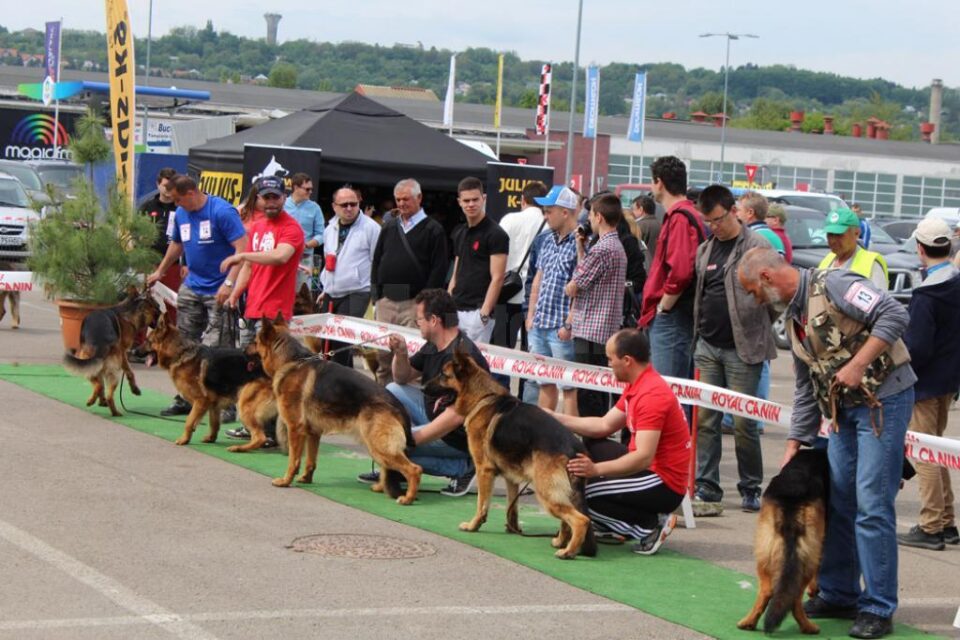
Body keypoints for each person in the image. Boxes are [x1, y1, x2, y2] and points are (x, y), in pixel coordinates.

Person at [738, 247, 916, 640]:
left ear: (767, 278)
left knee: (871, 505)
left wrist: (857, 364)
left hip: (882, 402)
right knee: (839, 500)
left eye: (752, 291)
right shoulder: (794, 318)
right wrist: (796, 440)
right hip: (841, 413)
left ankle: (878, 608)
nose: (754, 301)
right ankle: (838, 593)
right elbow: (805, 387)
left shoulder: (835, 283)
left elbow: (895, 314)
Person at [554, 329, 690, 555]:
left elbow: (643, 457)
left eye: (610, 359)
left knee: (583, 496)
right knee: (590, 446)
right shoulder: (638, 383)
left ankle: (649, 527)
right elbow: (603, 426)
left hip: (664, 482)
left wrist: (596, 470)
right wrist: (555, 418)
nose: (608, 365)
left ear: (627, 360)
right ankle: (619, 521)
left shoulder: (652, 395)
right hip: (650, 469)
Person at [690, 186, 776, 516]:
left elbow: (777, 294)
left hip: (744, 349)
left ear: (735, 211)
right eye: (708, 221)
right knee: (707, 421)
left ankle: (750, 486)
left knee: (744, 423)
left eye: (718, 219)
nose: (714, 226)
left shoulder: (758, 246)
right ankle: (707, 485)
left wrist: (759, 326)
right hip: (708, 346)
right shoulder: (706, 249)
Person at [357, 289, 488, 496]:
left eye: (419, 319)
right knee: (392, 390)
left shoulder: (464, 357)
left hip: (461, 437)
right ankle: (394, 466)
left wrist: (410, 438)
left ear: (434, 320)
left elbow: (456, 415)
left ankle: (464, 467)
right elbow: (402, 377)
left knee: (395, 447)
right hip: (433, 413)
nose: (417, 323)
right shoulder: (433, 344)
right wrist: (401, 353)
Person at [147, 174, 247, 417]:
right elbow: (177, 244)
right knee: (182, 345)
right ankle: (185, 396)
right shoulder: (181, 213)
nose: (176, 205)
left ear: (191, 193)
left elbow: (242, 249)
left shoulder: (222, 211)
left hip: (219, 289)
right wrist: (160, 270)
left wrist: (230, 283)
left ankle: (225, 401)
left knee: (216, 349)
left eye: (178, 200)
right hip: (192, 286)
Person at [220, 176, 305, 446]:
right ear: (258, 199)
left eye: (275, 197)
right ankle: (253, 425)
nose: (270, 202)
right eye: (265, 197)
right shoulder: (256, 227)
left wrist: (243, 256)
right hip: (253, 307)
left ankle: (270, 432)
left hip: (276, 315)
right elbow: (249, 268)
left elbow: (280, 256)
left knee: (272, 374)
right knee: (249, 369)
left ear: (284, 197)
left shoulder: (292, 228)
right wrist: (235, 293)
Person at [897, 218, 960, 551]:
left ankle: (932, 524)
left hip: (924, 382)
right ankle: (947, 523)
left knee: (924, 454)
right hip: (948, 380)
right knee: (937, 450)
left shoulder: (927, 292)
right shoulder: (955, 282)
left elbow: (917, 346)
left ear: (920, 248)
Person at [370, 179, 449, 385]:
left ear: (419, 198)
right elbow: (377, 260)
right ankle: (380, 400)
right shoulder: (389, 227)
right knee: (383, 358)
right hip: (386, 301)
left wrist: (424, 304)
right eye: (398, 199)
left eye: (406, 199)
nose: (402, 203)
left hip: (414, 303)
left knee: (410, 358)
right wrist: (376, 296)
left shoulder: (434, 230)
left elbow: (438, 269)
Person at [639, 156, 706, 383]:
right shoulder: (687, 214)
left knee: (669, 390)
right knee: (678, 389)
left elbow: (680, 271)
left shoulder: (679, 218)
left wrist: (663, 307)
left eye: (652, 181)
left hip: (673, 316)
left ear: (659, 182)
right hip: (678, 314)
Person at [564, 193, 627, 418]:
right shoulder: (614, 246)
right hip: (605, 329)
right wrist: (582, 249)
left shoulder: (602, 250)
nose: (588, 220)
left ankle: (593, 442)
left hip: (590, 328)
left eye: (590, 214)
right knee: (598, 390)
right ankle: (598, 438)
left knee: (587, 393)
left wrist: (571, 282)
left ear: (599, 217)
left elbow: (574, 286)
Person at [526, 186, 580, 414]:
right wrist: (531, 316)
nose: (545, 216)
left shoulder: (580, 242)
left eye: (549, 211)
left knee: (568, 386)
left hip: (560, 326)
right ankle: (542, 436)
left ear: (565, 212)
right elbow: (538, 278)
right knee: (544, 382)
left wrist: (569, 322)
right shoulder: (546, 240)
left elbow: (581, 286)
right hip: (540, 323)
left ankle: (571, 439)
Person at [318, 185, 382, 369]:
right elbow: (328, 259)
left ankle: (342, 386)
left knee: (342, 343)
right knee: (326, 341)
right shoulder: (330, 228)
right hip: (332, 291)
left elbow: (377, 261)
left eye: (353, 204)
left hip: (357, 291)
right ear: (334, 206)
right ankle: (329, 382)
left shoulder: (371, 228)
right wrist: (326, 286)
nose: (349, 208)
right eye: (344, 204)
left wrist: (375, 296)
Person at [448, 177, 509, 344]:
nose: (471, 204)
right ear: (459, 202)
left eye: (475, 199)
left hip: (478, 312)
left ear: (484, 198)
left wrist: (484, 313)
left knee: (473, 367)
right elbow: (456, 272)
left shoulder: (496, 234)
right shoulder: (459, 232)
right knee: (450, 362)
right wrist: (448, 303)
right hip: (456, 308)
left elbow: (498, 277)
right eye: (466, 200)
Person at [498, 180, 549, 353]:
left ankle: (500, 380)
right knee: (530, 353)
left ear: (522, 199)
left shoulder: (509, 219)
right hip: (536, 297)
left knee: (502, 349)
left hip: (507, 291)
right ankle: (525, 382)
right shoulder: (549, 226)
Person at [818, 208, 888, 290]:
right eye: (830, 234)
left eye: (839, 235)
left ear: (857, 233)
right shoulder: (827, 261)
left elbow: (880, 302)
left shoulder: (871, 264)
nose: (833, 240)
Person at [285, 173, 325, 291]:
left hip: (305, 256)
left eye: (311, 189)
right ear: (296, 187)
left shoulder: (315, 208)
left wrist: (306, 244)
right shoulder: (282, 205)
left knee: (302, 292)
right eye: (307, 189)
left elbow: (322, 234)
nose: (310, 192)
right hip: (284, 255)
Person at [632, 195, 660, 272]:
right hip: (658, 269)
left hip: (645, 269)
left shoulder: (638, 226)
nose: (632, 212)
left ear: (641, 209)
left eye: (634, 209)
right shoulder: (660, 224)